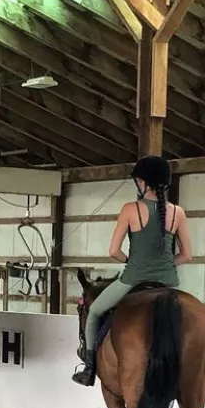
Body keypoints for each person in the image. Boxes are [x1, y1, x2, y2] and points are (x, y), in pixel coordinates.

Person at [72, 155, 193, 386]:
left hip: (134, 278)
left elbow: (113, 251)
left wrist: (132, 260)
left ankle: (88, 370)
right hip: (168, 282)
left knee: (95, 310)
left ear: (144, 183)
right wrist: (165, 265)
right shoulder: (178, 212)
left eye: (138, 181)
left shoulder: (130, 209)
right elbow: (187, 255)